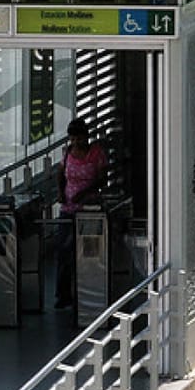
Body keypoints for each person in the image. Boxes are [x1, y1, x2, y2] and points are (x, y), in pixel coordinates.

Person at [55, 117, 108, 310]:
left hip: (89, 210)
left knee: (89, 253)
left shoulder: (96, 153)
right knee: (64, 251)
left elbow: (103, 178)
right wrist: (61, 192)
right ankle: (63, 294)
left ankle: (89, 290)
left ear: (86, 136)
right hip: (68, 208)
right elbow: (61, 174)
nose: (76, 142)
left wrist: (84, 194)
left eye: (79, 138)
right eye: (72, 139)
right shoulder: (67, 153)